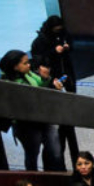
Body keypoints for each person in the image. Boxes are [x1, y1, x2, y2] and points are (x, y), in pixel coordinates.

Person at [0, 49, 65, 171]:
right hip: (26, 125)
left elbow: (40, 85)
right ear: (15, 67)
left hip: (44, 118)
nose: (29, 65)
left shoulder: (28, 73)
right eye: (25, 63)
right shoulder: (7, 84)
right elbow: (25, 101)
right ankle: (31, 178)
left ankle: (51, 177)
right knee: (32, 155)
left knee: (55, 153)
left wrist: (47, 80)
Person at [31, 15, 79, 165]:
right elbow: (39, 58)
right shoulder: (40, 41)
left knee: (69, 132)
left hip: (66, 75)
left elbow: (71, 42)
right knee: (57, 142)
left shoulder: (63, 34)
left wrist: (67, 47)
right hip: (54, 81)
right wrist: (53, 51)